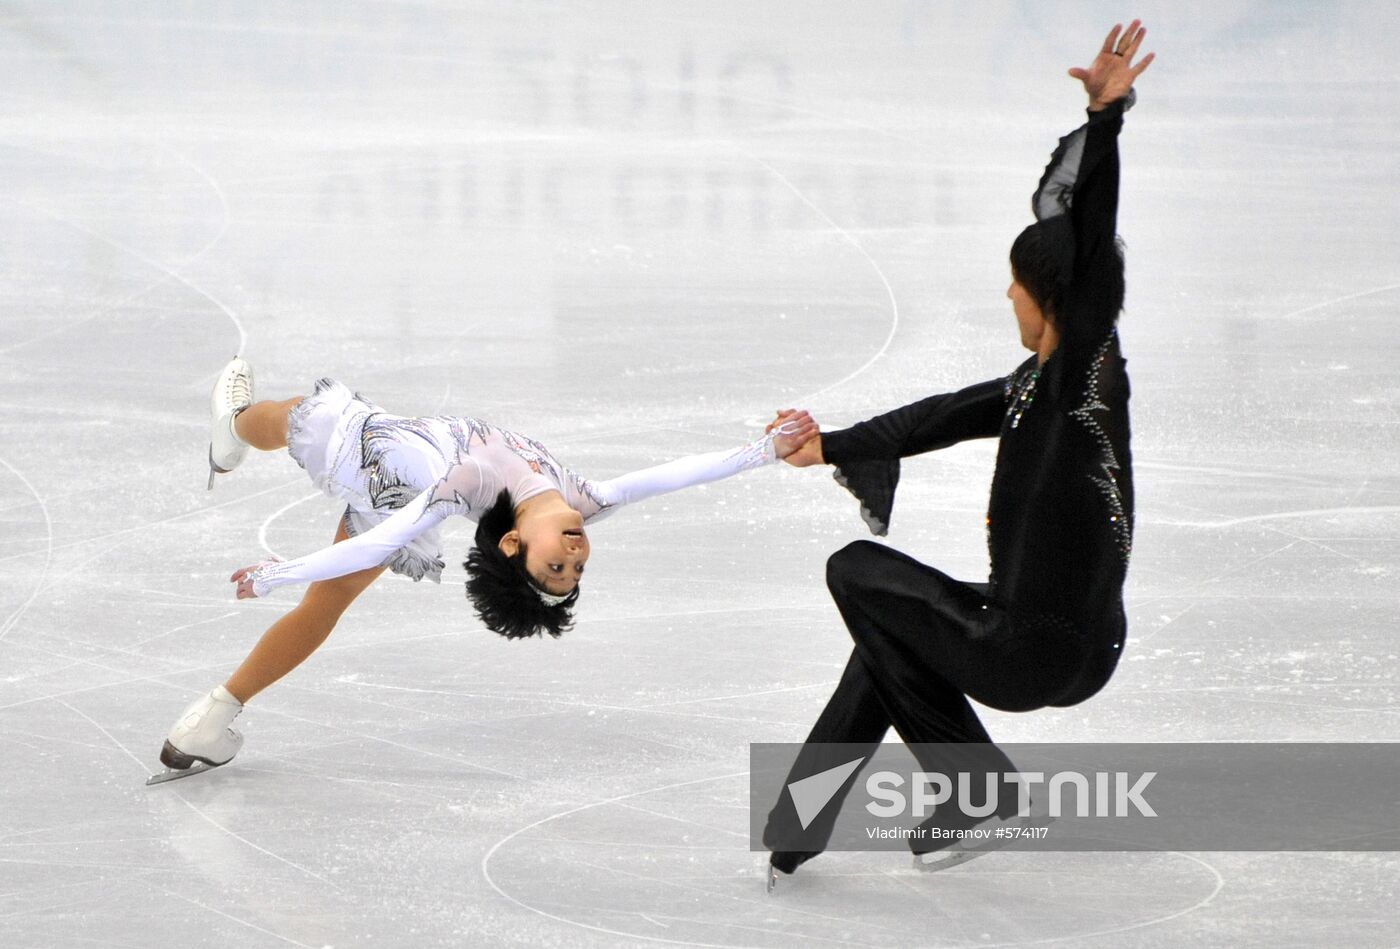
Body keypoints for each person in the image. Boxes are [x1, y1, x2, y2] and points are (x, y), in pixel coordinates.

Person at [761, 21, 1154, 883]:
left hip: (1032, 645)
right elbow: (942, 414)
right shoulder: (1044, 386)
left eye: (1019, 281)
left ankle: (976, 789)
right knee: (886, 632)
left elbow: (1084, 242)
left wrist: (1108, 120)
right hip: (1076, 640)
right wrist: (831, 445)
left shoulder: (1079, 376)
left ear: (1050, 296)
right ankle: (796, 829)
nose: (1007, 291)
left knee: (856, 569)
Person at [153, 361, 816, 780]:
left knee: (302, 413)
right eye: (574, 569)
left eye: (554, 566)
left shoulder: (469, 482)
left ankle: (232, 426)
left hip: (361, 451)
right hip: (390, 477)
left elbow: (388, 534)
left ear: (511, 546)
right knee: (322, 612)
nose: (575, 555)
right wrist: (764, 450)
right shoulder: (585, 499)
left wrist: (282, 571)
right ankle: (208, 722)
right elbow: (668, 477)